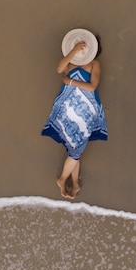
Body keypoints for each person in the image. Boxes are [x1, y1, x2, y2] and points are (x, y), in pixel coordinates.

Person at [41, 29, 108, 199]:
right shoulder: (70, 63)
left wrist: (71, 81)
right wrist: (74, 51)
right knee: (75, 146)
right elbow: (59, 69)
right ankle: (72, 181)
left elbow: (92, 86)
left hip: (85, 110)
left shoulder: (94, 64)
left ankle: (65, 180)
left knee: (76, 147)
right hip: (68, 108)